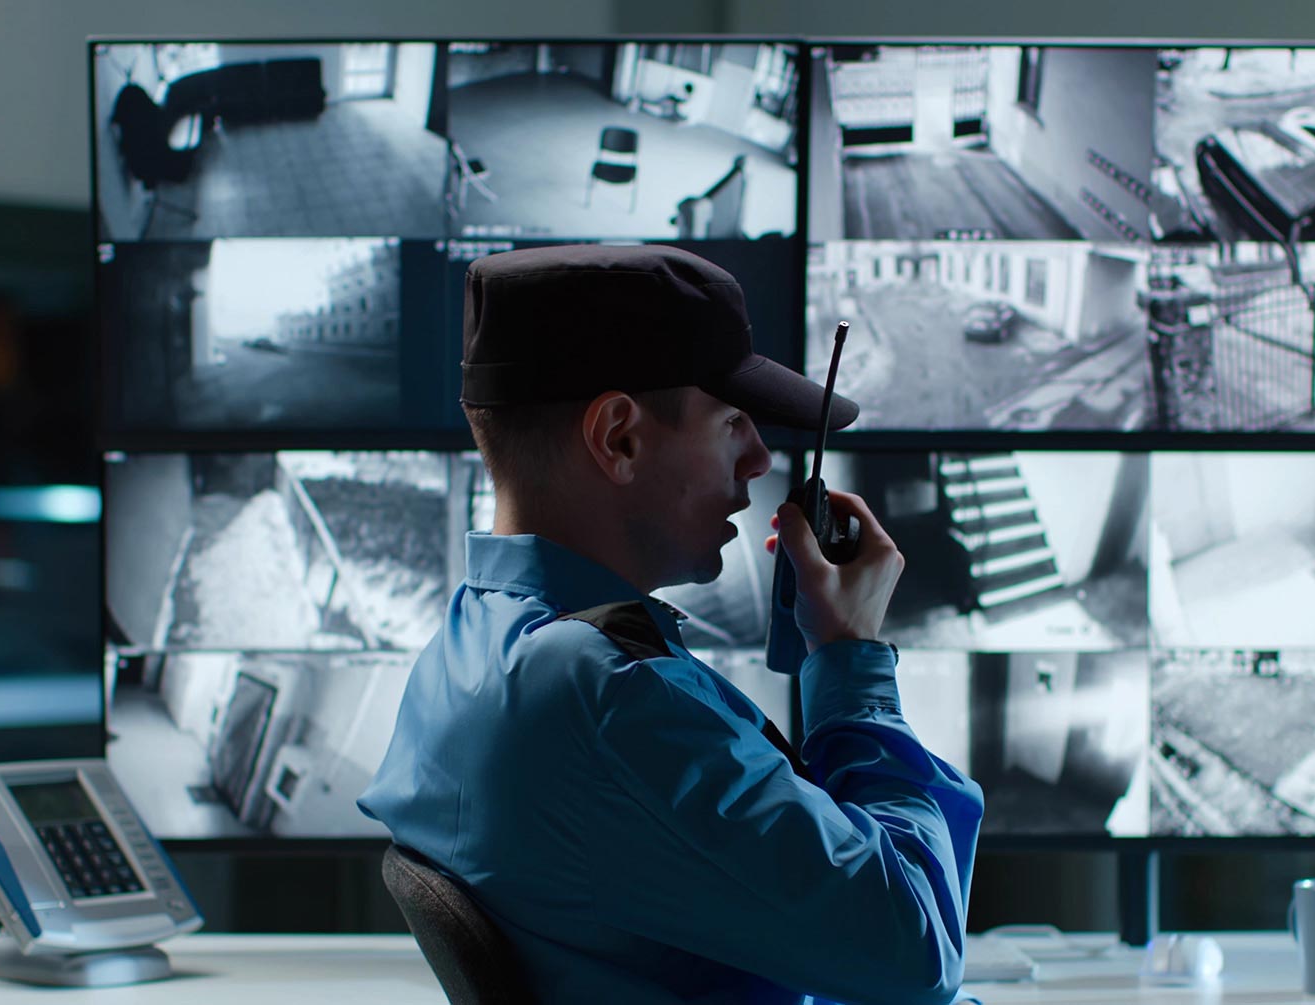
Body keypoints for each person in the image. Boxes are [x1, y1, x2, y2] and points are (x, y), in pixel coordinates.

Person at [358, 244, 983, 1005]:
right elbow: (916, 953)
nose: (757, 459)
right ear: (619, 436)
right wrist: (850, 665)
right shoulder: (610, 698)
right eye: (731, 423)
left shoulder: (467, 645)